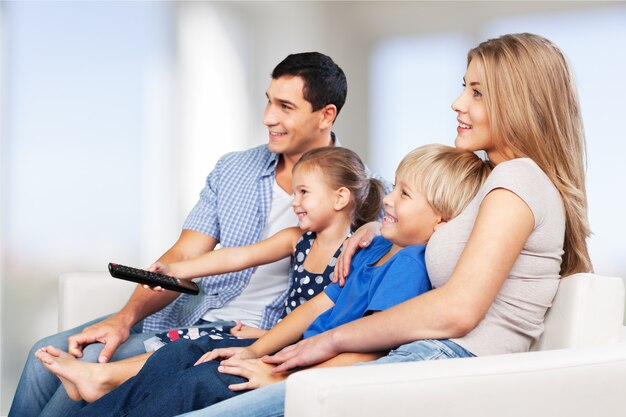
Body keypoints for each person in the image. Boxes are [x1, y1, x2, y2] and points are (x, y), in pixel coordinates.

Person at [181, 32, 593, 417]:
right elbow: (433, 224)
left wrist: (322, 345)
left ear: (521, 103)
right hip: (425, 354)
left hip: (447, 361)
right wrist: (376, 228)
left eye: (477, 92)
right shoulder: (491, 182)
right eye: (463, 86)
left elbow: (458, 311)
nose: (457, 103)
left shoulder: (517, 180)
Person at [9, 52, 390, 417]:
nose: (268, 117)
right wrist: (125, 317)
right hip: (195, 311)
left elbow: (390, 255)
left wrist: (374, 225)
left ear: (326, 115)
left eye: (285, 107)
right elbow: (194, 256)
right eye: (268, 101)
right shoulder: (235, 170)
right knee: (44, 352)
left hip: (251, 332)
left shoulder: (359, 191)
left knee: (90, 360)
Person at [46, 143, 491, 417]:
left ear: (442, 217)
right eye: (393, 187)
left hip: (306, 364)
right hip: (288, 350)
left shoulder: (410, 266)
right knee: (181, 355)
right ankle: (98, 389)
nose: (388, 198)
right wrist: (257, 349)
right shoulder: (370, 246)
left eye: (404, 194)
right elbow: (316, 306)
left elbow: (369, 350)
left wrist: (276, 369)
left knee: (196, 383)